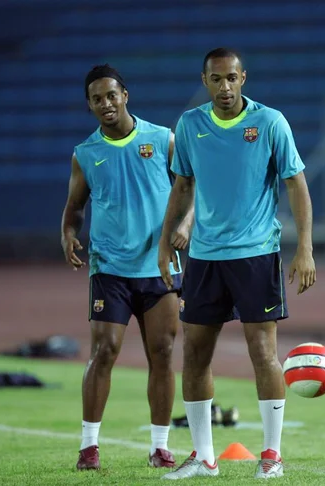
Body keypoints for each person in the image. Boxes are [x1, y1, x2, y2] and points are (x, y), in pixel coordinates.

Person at [157, 48, 316, 480]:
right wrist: (163, 243)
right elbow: (183, 186)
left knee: (262, 352)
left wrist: (305, 247)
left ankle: (271, 455)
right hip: (204, 257)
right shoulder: (190, 125)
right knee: (194, 353)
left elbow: (296, 185)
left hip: (256, 254)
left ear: (243, 77)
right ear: (204, 80)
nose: (224, 87)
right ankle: (204, 457)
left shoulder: (269, 123)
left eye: (231, 78)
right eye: (216, 79)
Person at [60, 64, 193, 471]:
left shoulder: (162, 139)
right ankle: (88, 447)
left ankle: (159, 446)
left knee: (162, 353)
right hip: (110, 269)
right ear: (90, 105)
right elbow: (74, 208)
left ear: (125, 95)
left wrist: (185, 225)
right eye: (97, 99)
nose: (106, 103)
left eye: (111, 95)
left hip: (160, 268)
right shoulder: (86, 154)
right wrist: (68, 234)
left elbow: (190, 189)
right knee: (104, 351)